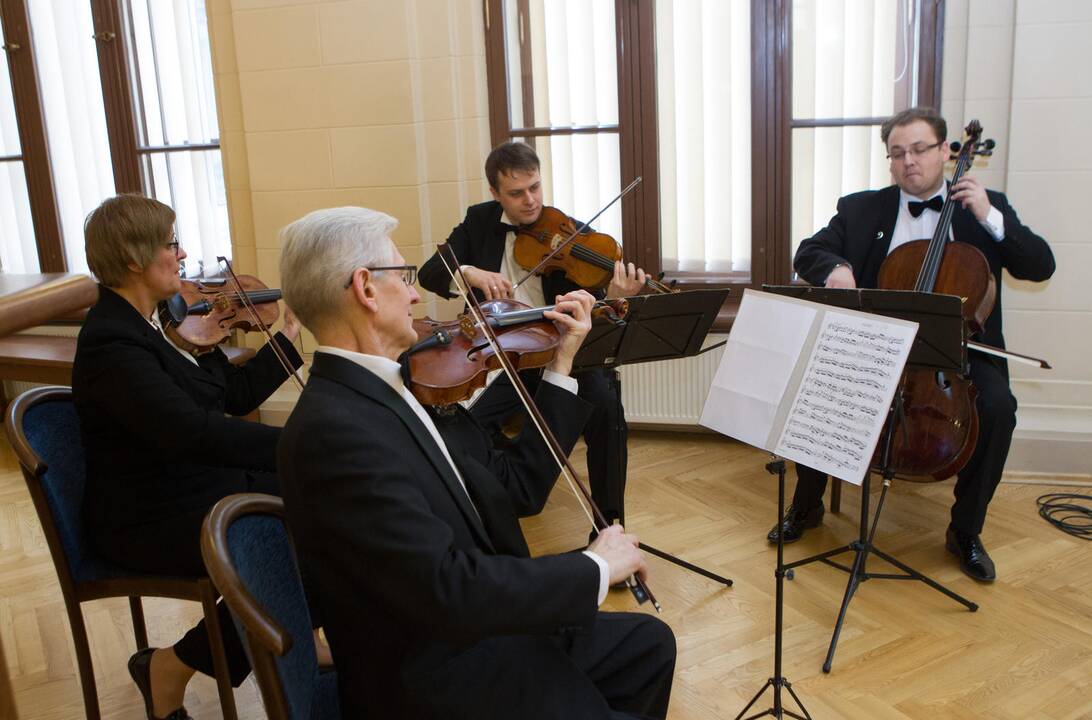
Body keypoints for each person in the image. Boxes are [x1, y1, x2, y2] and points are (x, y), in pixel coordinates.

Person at [277, 206, 676, 719]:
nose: (419, 293)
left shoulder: (402, 391)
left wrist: (561, 361)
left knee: (648, 645)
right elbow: (448, 590)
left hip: (476, 632)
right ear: (366, 289)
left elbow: (518, 487)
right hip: (437, 678)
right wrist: (594, 566)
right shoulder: (336, 433)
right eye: (403, 276)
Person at [770, 107, 1055, 582]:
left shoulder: (982, 208)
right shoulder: (862, 209)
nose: (909, 162)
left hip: (958, 355)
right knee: (818, 388)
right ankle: (807, 505)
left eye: (920, 150)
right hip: (878, 348)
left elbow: (1039, 266)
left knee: (1000, 407)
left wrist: (989, 215)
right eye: (897, 153)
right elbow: (808, 251)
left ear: (946, 151)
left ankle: (965, 530)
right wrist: (834, 269)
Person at [72, 194, 317, 720]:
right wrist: (300, 446)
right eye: (171, 244)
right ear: (136, 260)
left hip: (186, 488)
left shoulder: (147, 328)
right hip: (145, 518)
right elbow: (193, 433)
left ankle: (281, 636)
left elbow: (232, 398)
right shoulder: (111, 344)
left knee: (319, 505)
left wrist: (278, 340)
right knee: (299, 522)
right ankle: (173, 666)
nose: (182, 257)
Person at [418, 141, 647, 529]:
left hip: (561, 351)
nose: (530, 201)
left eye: (535, 188)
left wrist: (615, 297)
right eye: (516, 193)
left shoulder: (568, 231)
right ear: (495, 193)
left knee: (607, 409)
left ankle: (609, 525)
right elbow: (429, 272)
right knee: (467, 422)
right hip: (501, 353)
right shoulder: (479, 222)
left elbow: (593, 300)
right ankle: (488, 513)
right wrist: (468, 273)